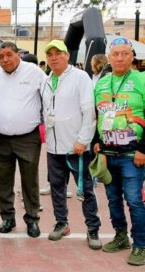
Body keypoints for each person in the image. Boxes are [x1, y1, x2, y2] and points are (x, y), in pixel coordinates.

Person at [40, 40, 102, 250]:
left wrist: (83, 140)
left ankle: (92, 227)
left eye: (58, 53)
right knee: (57, 189)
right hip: (53, 148)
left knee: (85, 191)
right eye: (50, 55)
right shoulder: (47, 80)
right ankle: (62, 222)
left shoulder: (79, 77)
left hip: (76, 148)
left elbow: (89, 112)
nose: (54, 58)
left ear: (67, 56)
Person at [94, 37, 145, 266]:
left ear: (132, 56)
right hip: (108, 153)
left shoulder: (142, 80)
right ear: (109, 57)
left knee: (134, 201)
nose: (120, 57)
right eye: (115, 53)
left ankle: (141, 245)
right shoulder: (102, 83)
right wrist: (96, 141)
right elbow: (99, 115)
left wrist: (143, 149)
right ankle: (121, 236)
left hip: (132, 154)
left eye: (125, 53)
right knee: (113, 199)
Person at [0, 42, 46, 237]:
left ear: (18, 54)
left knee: (30, 181)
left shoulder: (34, 72)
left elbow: (47, 96)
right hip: (1, 138)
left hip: (27, 138)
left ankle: (32, 219)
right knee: (3, 180)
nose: (5, 60)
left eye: (8, 55)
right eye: (1, 57)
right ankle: (7, 218)